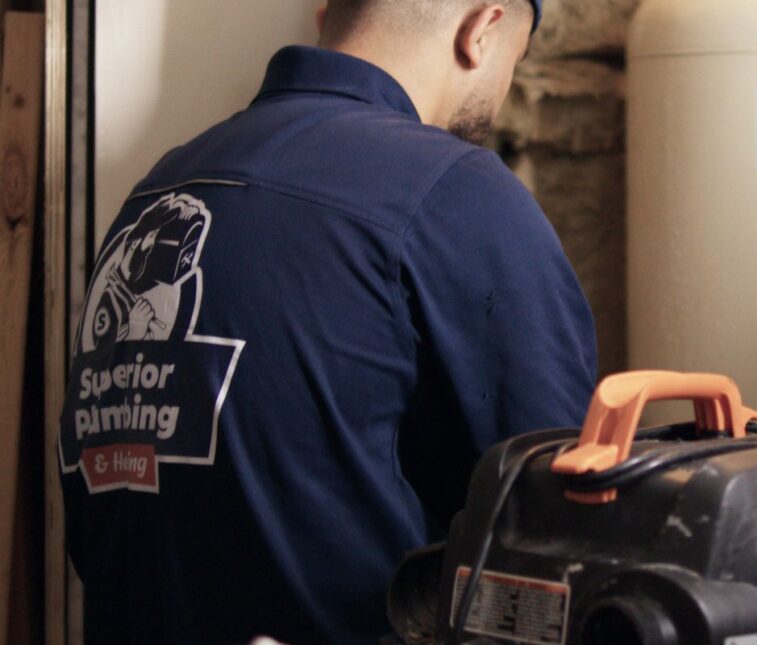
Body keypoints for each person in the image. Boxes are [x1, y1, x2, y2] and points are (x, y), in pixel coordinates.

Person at [59, 0, 598, 643]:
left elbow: (97, 528)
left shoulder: (158, 191)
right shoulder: (453, 190)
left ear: (323, 15)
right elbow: (560, 531)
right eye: (519, 58)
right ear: (481, 30)